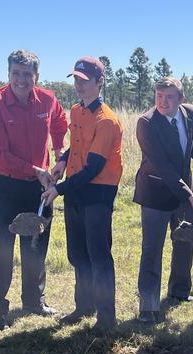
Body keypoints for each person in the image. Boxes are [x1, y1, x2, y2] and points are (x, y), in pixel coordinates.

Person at [0, 49, 67, 331]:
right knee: (3, 248)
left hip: (39, 187)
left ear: (36, 76)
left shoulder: (47, 99)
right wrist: (36, 170)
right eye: (16, 73)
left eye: (27, 74)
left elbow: (60, 122)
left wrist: (59, 151)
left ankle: (33, 300)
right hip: (7, 186)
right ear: (8, 74)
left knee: (35, 244)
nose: (21, 80)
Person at [42, 57, 123, 332]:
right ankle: (84, 305)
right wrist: (62, 160)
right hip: (76, 192)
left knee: (99, 256)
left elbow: (94, 168)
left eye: (84, 80)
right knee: (78, 253)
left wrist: (58, 189)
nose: (78, 85)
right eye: (76, 79)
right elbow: (75, 145)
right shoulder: (76, 111)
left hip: (97, 194)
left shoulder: (107, 120)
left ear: (100, 82)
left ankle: (106, 317)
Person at [133, 77, 193, 323]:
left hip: (184, 192)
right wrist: (189, 195)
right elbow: (162, 166)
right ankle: (148, 307)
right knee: (152, 248)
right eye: (159, 96)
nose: (163, 102)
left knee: (185, 241)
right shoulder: (146, 123)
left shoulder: (190, 114)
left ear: (181, 99)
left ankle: (179, 292)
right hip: (155, 193)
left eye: (169, 97)